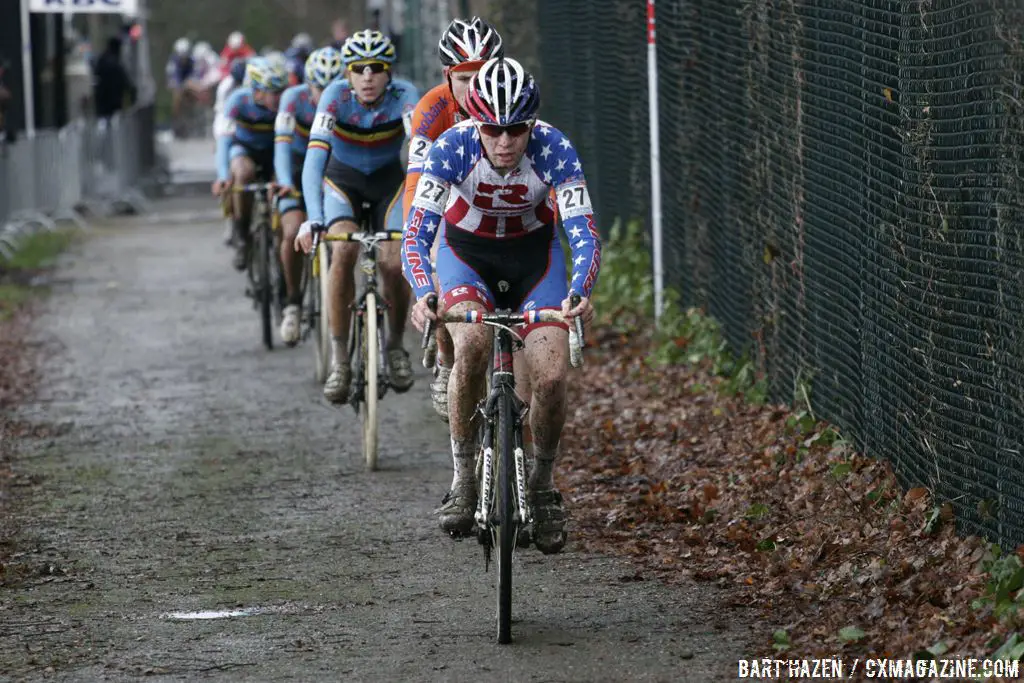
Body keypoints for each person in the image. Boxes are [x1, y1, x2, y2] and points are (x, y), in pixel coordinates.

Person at [400, 57, 601, 553]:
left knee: (552, 375)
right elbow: (416, 235)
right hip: (466, 255)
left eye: (516, 130)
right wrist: (425, 293)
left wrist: (579, 293)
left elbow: (584, 234)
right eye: (493, 129)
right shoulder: (451, 147)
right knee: (469, 344)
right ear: (475, 121)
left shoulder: (555, 149)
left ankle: (543, 483)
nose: (505, 142)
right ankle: (464, 477)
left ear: (531, 125)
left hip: (536, 259)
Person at [294, 29, 420, 402]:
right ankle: (340, 362)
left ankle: (395, 345)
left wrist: (421, 210)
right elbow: (314, 160)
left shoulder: (405, 96)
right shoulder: (334, 97)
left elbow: (419, 155)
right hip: (342, 184)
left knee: (395, 262)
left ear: (389, 72)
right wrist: (313, 218)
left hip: (388, 186)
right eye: (359, 68)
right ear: (347, 73)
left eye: (377, 68)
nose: (368, 76)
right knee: (343, 252)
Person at [401, 16, 503, 421]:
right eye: (465, 77)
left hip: (495, 206)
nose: (477, 86)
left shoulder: (510, 97)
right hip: (444, 203)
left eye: (484, 74)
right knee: (444, 281)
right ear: (447, 76)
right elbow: (415, 187)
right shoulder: (431, 108)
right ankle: (446, 359)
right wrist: (419, 254)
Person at [272, 47, 345, 346]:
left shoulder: (346, 100)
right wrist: (286, 183)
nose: (323, 94)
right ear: (307, 84)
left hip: (330, 170)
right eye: (318, 87)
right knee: (291, 231)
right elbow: (281, 145)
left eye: (331, 86)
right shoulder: (292, 99)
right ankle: (292, 303)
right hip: (295, 167)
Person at [212, 58, 288, 271]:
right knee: (243, 173)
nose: (278, 97)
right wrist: (223, 176)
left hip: (275, 151)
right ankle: (241, 232)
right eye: (273, 91)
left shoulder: (285, 103)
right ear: (256, 91)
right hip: (244, 149)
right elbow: (224, 142)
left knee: (282, 183)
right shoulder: (237, 101)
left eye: (281, 90)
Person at [93, 36, 135, 120]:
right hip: (114, 102)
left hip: (101, 102)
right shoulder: (116, 64)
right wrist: (132, 95)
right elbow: (126, 82)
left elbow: (96, 78)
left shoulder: (101, 61)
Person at [166, 38, 193, 126]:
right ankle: (175, 120)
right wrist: (178, 86)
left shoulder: (191, 61)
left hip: (187, 83)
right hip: (177, 84)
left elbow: (194, 74)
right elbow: (172, 76)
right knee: (177, 97)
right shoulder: (173, 62)